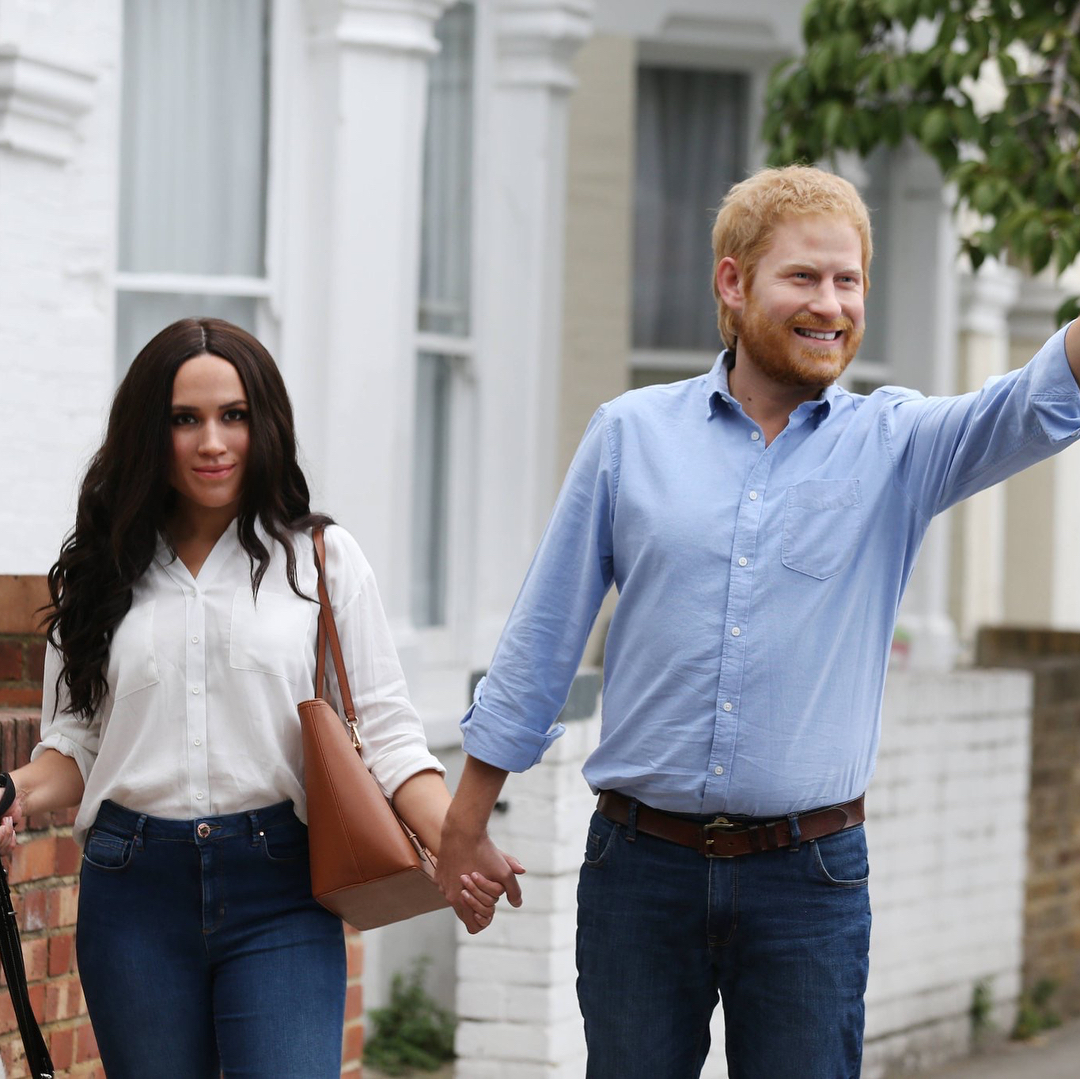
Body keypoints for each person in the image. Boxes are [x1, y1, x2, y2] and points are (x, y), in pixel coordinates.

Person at [435, 165, 1080, 1078]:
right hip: (639, 871)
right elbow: (545, 634)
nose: (831, 304)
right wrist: (466, 816)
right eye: (803, 278)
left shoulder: (896, 446)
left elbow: (1037, 403)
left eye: (848, 280)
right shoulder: (629, 435)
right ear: (733, 284)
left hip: (810, 881)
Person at [0, 318, 504, 1079]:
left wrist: (459, 841)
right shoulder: (101, 574)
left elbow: (393, 739)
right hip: (133, 894)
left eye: (233, 415)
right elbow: (74, 747)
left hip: (281, 887)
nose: (213, 441)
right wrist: (12, 790)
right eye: (186, 418)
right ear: (150, 431)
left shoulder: (322, 560)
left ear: (263, 423)